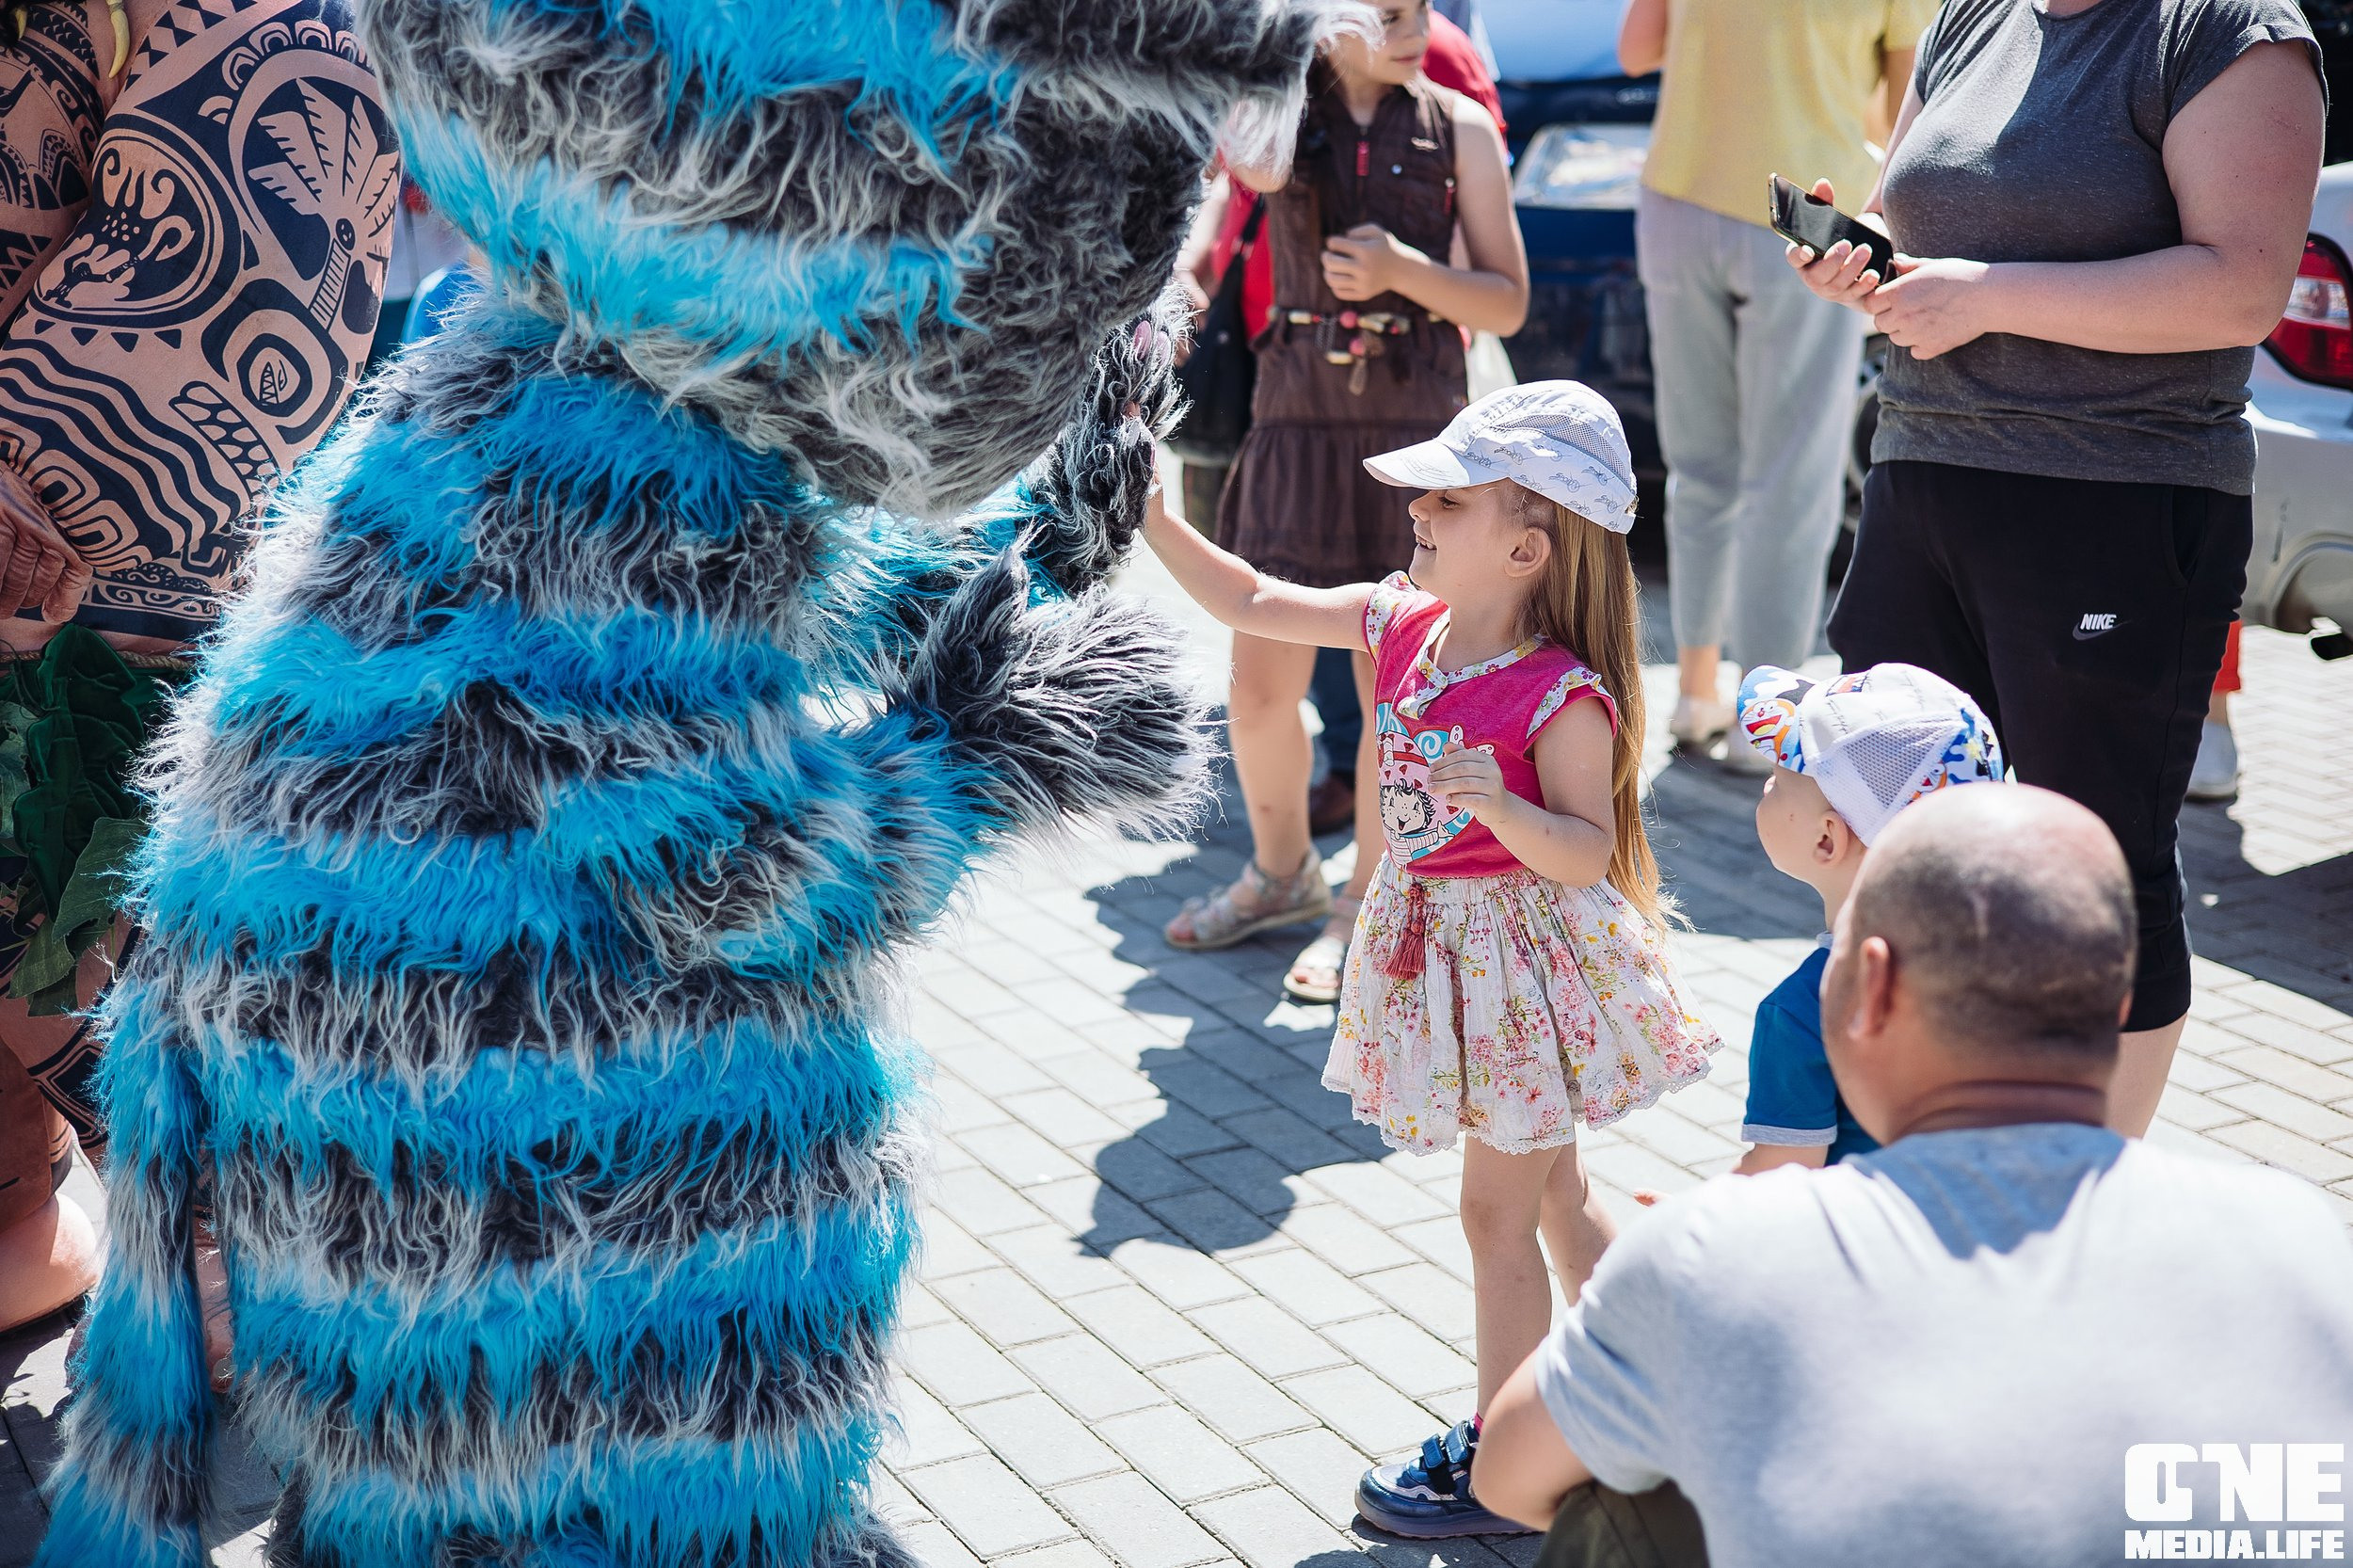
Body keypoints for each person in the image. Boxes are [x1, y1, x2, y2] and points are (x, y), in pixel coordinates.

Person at [1472, 785, 2353, 1564]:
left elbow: (1507, 1478)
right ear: (2117, 1004)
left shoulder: (1720, 1252)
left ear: (1875, 989)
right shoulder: (2300, 1233)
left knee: (1617, 1498)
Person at [1143, 381, 1720, 1538]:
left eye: (1446, 497)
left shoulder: (1560, 693)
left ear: (1525, 546)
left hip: (1517, 976)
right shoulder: (1400, 619)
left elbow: (1581, 850)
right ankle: (1664, 1393)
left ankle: (1508, 1464)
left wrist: (1500, 806)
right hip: (1450, 957)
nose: (1417, 506)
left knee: (1494, 1216)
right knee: (1553, 1193)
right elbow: (1251, 597)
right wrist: (1148, 518)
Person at [1788, 0, 2327, 1137]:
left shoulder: (2225, 32)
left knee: (2094, 859)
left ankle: (2087, 1196)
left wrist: (1986, 293)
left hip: (2117, 502)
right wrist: (1862, 257)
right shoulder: (1973, 13)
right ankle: (1922, 1143)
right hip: (1922, 470)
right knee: (1893, 823)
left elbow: (2241, 288)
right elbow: (1906, 206)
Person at [0, 0, 391, 1332]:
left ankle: (223, 1251)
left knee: (66, 931)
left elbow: (272, 207)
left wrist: (34, 496)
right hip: (78, 529)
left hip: (78, 563)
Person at [1164, 0, 1529, 1007]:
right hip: (1291, 422)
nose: (1416, 24)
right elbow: (1242, 162)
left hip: (1418, 443)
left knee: (1389, 693)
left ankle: (1361, 902)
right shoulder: (1280, 117)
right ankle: (1282, 874)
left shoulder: (1459, 127)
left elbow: (1506, 299)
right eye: (1388, 11)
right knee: (1257, 679)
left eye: (1421, 8)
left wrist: (1406, 273)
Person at [1617, 0, 1937, 771]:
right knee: (1789, 476)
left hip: (1679, 198)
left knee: (1698, 467)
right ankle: (1765, 724)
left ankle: (1695, 693)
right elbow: (1910, 120)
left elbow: (1636, 49)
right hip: (1810, 219)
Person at [1729, 662, 2003, 1175]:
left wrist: (1694, 1222)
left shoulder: (1806, 1008)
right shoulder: (2007, 966)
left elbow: (1784, 1175)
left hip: (1858, 1244)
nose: (1766, 788)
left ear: (1826, 840)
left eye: (1779, 778)